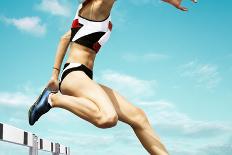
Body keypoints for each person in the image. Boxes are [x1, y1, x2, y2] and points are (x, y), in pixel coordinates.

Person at [28, 0, 197, 154]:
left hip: (83, 76)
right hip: (74, 74)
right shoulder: (97, 6)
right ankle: (53, 99)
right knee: (108, 118)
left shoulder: (86, 11)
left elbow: (65, 37)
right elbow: (65, 38)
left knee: (138, 117)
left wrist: (54, 75)